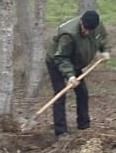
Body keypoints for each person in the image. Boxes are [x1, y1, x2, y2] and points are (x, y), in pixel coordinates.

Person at [45, 9, 110, 138]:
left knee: (82, 93)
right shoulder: (68, 35)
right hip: (57, 60)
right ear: (81, 23)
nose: (87, 32)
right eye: (85, 29)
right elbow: (61, 57)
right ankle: (61, 131)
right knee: (60, 94)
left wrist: (104, 50)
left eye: (90, 30)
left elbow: (102, 38)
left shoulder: (96, 26)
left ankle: (84, 127)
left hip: (75, 62)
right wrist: (70, 76)